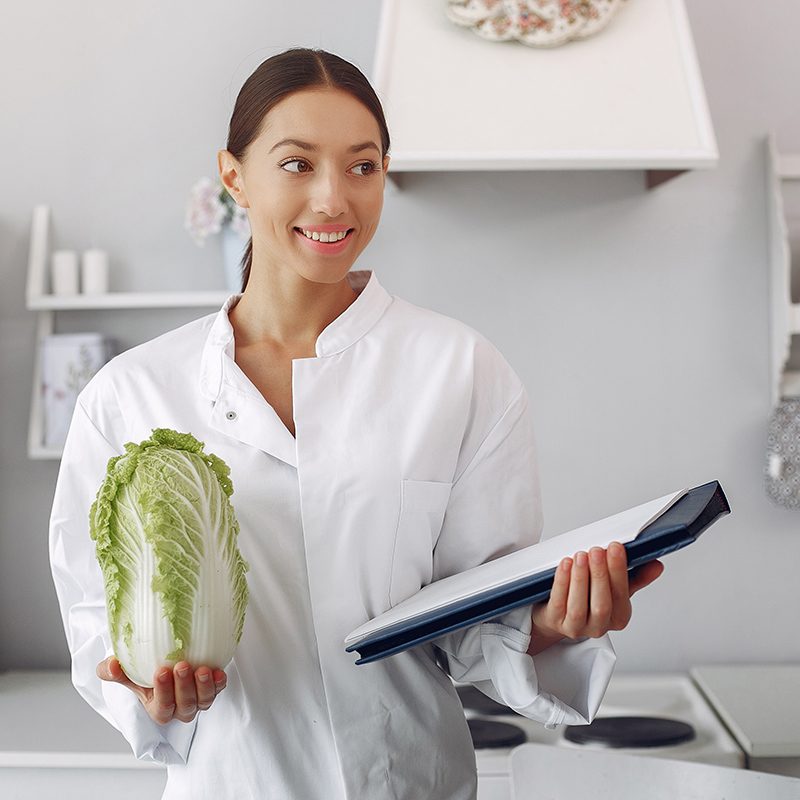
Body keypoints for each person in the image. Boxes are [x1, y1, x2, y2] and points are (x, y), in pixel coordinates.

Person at [49, 47, 664, 800]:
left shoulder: (460, 370)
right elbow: (96, 618)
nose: (334, 199)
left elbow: (477, 622)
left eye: (362, 166)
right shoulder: (132, 394)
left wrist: (556, 623)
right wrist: (145, 690)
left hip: (411, 783)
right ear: (235, 175)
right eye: (298, 164)